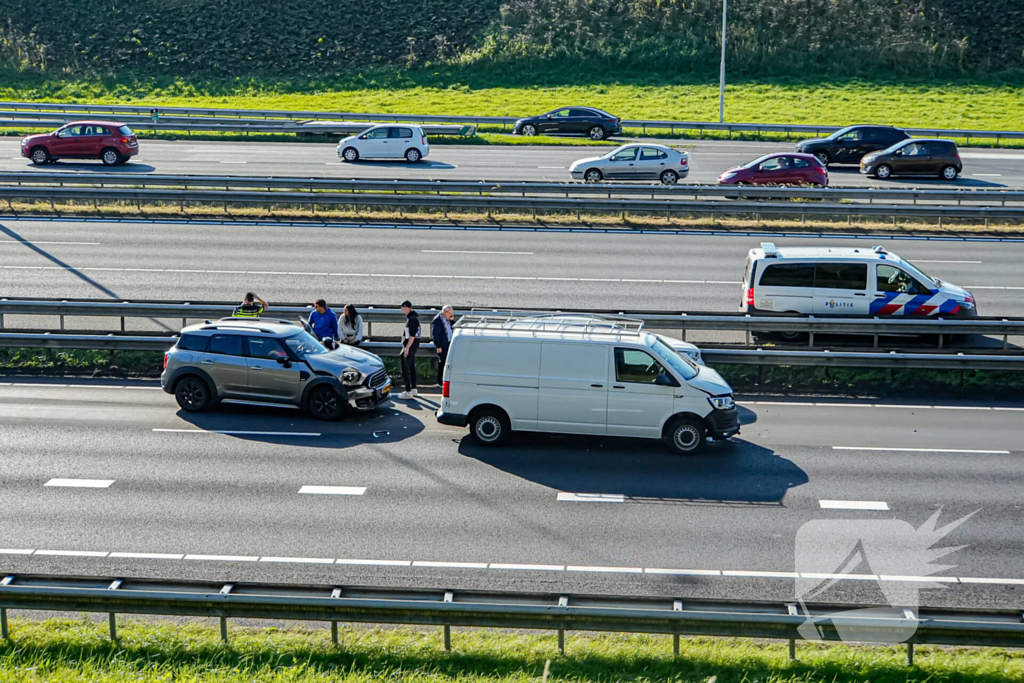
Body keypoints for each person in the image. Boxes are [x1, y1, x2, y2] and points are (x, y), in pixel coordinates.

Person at [398, 300, 420, 399]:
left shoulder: (412, 319)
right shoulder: (413, 318)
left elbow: (412, 335)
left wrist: (407, 348)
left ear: (406, 308)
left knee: (405, 367)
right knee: (411, 367)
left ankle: (408, 391)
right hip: (413, 346)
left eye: (402, 307)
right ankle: (414, 388)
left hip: (410, 345)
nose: (401, 309)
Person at [431, 305, 454, 386]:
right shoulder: (438, 320)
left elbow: (452, 327)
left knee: (448, 363)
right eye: (449, 313)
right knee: (443, 363)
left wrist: (451, 320)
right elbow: (435, 334)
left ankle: (446, 380)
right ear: (444, 312)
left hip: (449, 342)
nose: (451, 315)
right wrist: (438, 346)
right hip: (442, 345)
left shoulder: (447, 318)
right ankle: (440, 382)